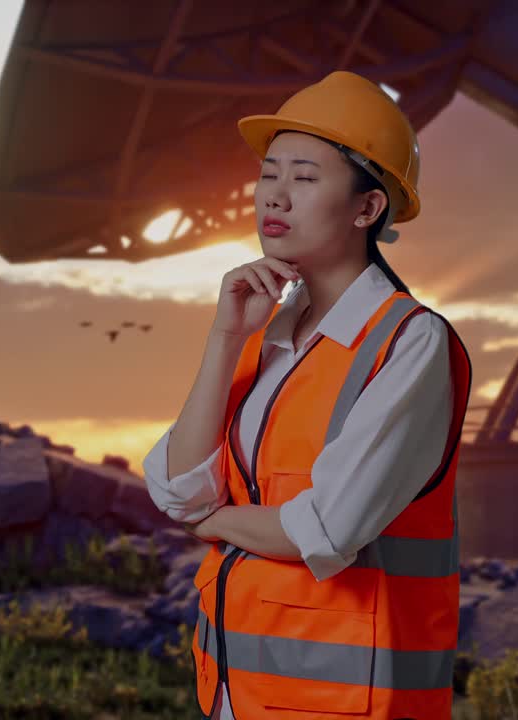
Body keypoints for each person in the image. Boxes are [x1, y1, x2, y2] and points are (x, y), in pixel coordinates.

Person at [143, 70, 473, 720]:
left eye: (305, 176)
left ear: (367, 208)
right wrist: (223, 338)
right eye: (269, 174)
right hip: (238, 693)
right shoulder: (263, 333)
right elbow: (178, 486)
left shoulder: (408, 343)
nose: (276, 195)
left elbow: (324, 529)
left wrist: (207, 523)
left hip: (350, 700)